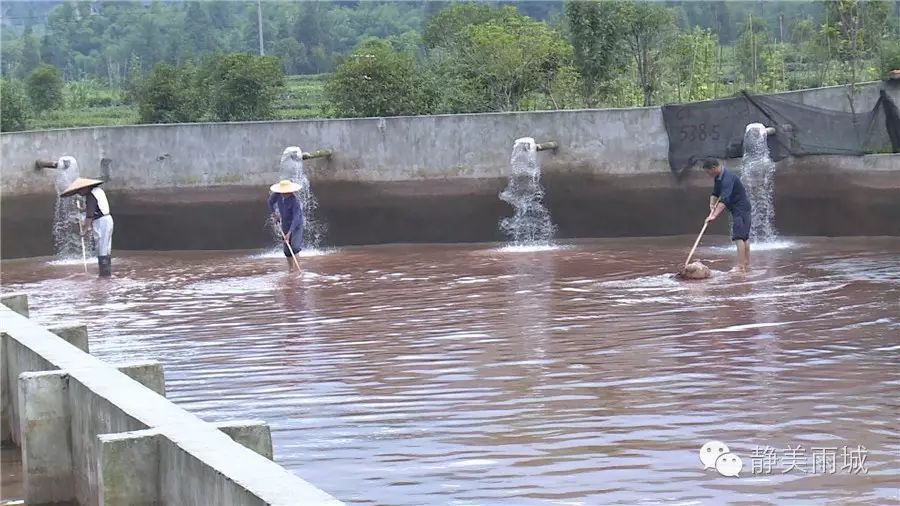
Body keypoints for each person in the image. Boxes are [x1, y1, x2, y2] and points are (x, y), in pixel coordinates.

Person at [702, 158, 752, 272]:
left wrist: (713, 216)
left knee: (740, 237)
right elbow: (715, 193)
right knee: (744, 236)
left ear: (713, 168)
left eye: (708, 172)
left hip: (741, 209)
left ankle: (741, 266)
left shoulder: (727, 178)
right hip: (737, 209)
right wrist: (711, 205)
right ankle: (746, 264)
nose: (708, 174)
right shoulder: (718, 177)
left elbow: (724, 199)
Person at [60, 177, 114, 277]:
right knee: (106, 248)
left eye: (79, 190)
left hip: (101, 221)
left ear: (85, 188)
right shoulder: (98, 191)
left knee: (101, 248)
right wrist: (83, 209)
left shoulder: (91, 195)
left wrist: (85, 229)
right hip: (107, 219)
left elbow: (90, 215)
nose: (79, 193)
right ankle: (106, 274)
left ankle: (104, 275)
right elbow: (96, 206)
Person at [268, 179, 304, 271]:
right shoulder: (278, 195)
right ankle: (291, 269)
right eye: (283, 192)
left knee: (295, 247)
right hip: (285, 224)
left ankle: (296, 269)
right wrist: (274, 214)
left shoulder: (295, 201)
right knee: (287, 250)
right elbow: (270, 202)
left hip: (296, 225)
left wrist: (289, 232)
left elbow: (296, 218)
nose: (284, 194)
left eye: (286, 192)